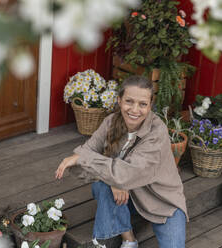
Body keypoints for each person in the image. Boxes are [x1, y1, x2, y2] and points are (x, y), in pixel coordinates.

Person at [55, 75, 187, 248]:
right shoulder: (110, 122)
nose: (134, 109)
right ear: (119, 100)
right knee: (101, 184)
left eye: (142, 104)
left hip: (162, 201)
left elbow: (125, 171)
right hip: (128, 195)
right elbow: (83, 157)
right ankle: (129, 239)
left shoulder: (157, 132)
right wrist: (113, 182)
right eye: (129, 101)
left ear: (150, 105)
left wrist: (89, 161)